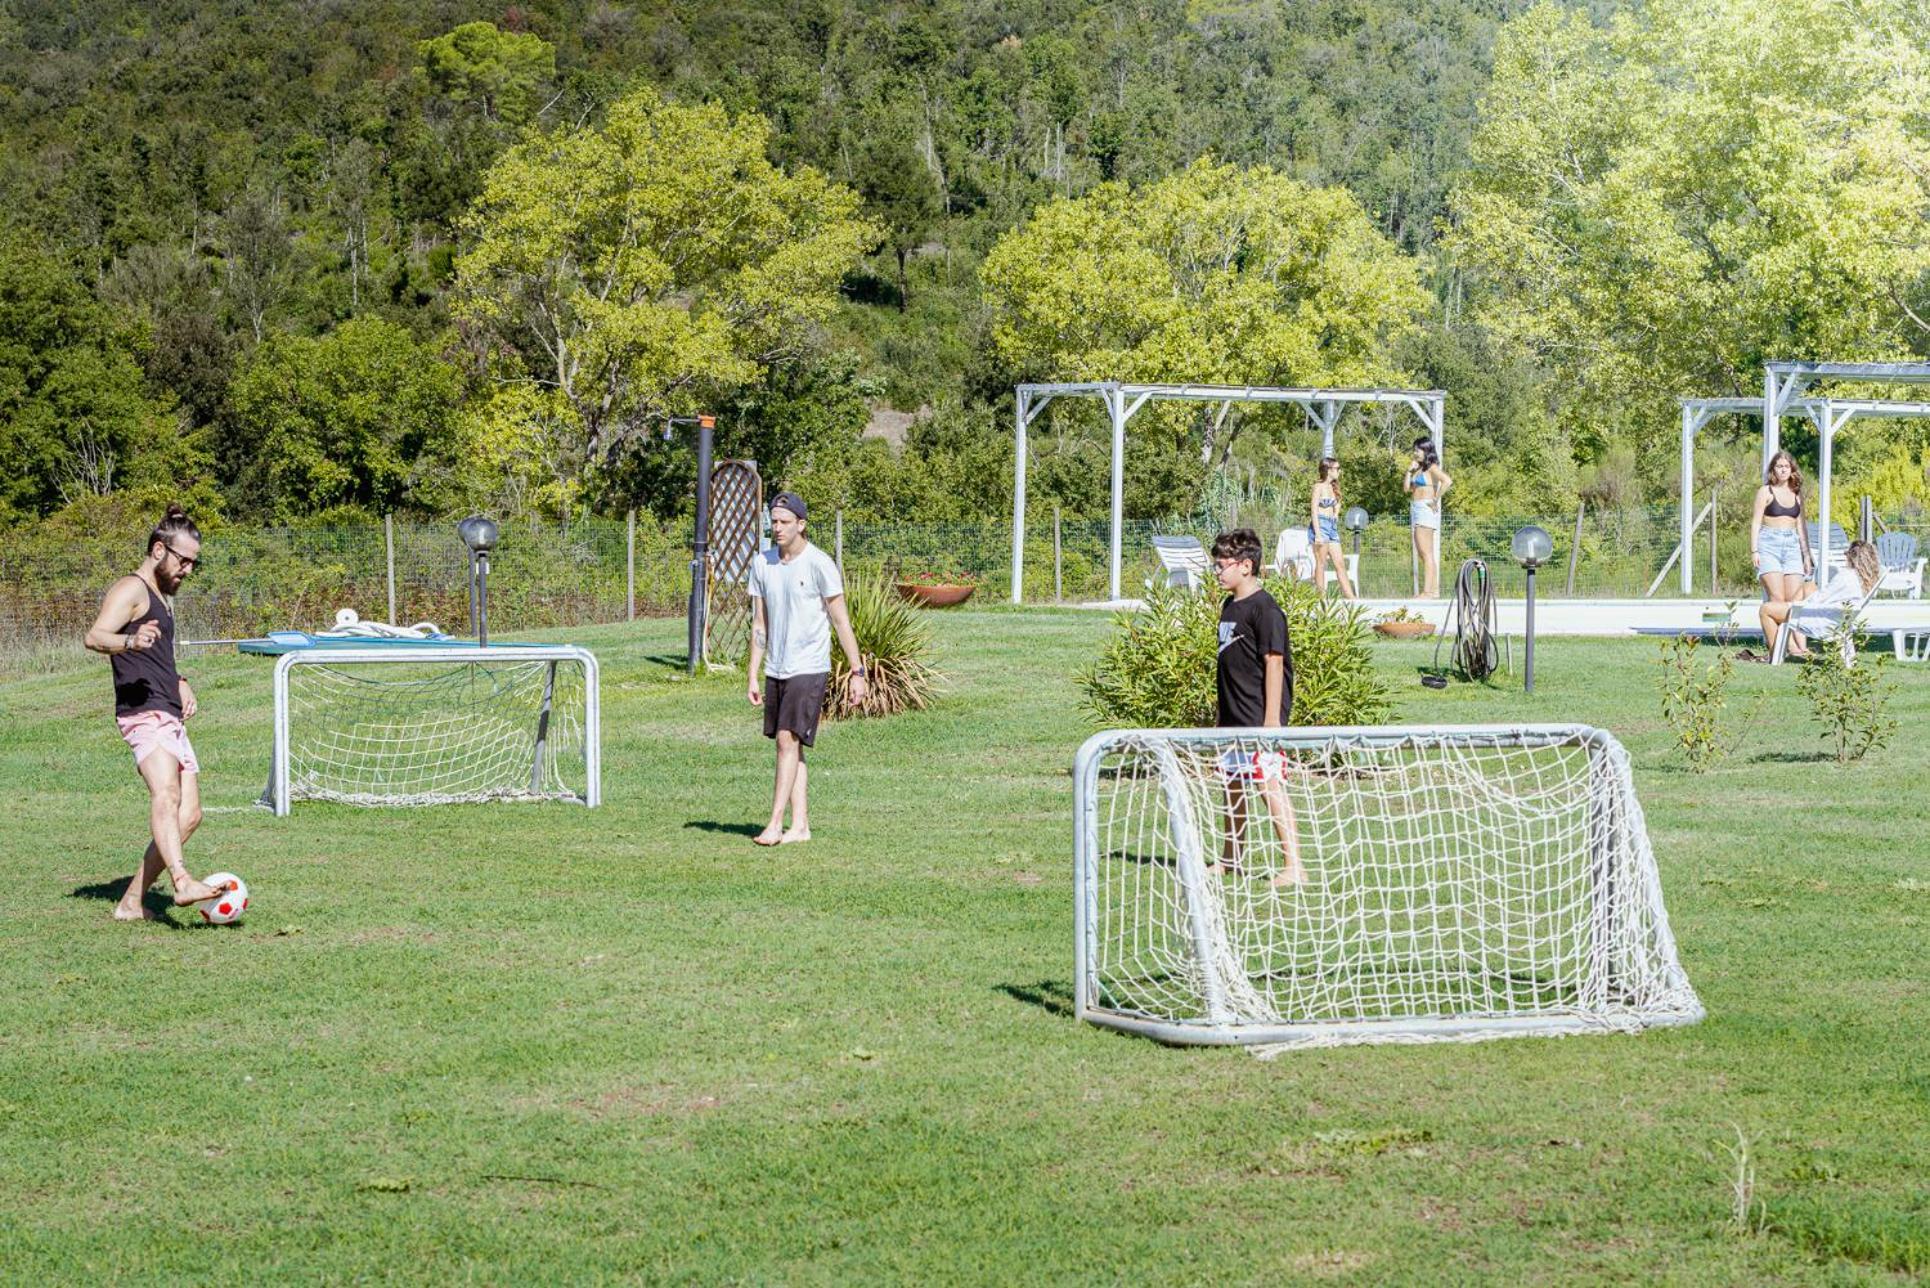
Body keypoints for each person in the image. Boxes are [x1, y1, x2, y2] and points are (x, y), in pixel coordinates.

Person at [83, 504, 220, 921]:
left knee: (190, 815)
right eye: (184, 560)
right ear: (159, 550)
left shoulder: (160, 596)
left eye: (194, 563)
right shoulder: (131, 588)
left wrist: (179, 680)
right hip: (143, 712)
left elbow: (156, 651)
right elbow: (95, 636)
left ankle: (130, 903)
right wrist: (129, 642)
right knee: (167, 794)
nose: (188, 571)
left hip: (168, 708)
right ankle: (181, 881)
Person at [746, 492, 868, 846]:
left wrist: (857, 672)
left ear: (801, 524)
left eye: (784, 522)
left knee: (787, 739)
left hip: (809, 666)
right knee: (789, 746)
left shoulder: (819, 563)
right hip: (776, 667)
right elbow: (759, 624)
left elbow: (841, 621)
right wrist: (753, 673)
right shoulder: (762, 564)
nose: (777, 528)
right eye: (773, 521)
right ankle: (800, 826)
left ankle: (774, 823)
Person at [1208, 528, 1306, 887]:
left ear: (1246, 565)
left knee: (1269, 786)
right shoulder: (1229, 605)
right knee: (1232, 786)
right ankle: (1231, 858)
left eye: (1221, 565)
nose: (1217, 572)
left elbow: (1275, 662)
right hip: (1233, 716)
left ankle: (1294, 865)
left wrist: (1270, 721)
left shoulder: (1265, 609)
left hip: (1259, 717)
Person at [1757, 539, 1881, 661]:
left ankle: (1774, 655)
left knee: (1766, 609)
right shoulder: (1866, 582)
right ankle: (1798, 647)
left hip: (1821, 619)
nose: (1846, 558)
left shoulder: (1846, 576)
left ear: (1852, 557)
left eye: (1847, 554)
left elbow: (1820, 599)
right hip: (1837, 618)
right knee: (1809, 586)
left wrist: (1795, 605)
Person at [1750, 449, 1812, 603]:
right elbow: (1756, 522)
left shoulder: (1797, 494)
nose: (1783, 469)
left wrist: (1806, 556)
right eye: (1779, 466)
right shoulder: (1766, 491)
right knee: (1777, 597)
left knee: (1794, 599)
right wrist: (1754, 551)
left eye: (1786, 466)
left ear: (1792, 469)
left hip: (1792, 546)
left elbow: (1800, 525)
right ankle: (1771, 625)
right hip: (1769, 544)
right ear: (1773, 470)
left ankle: (1789, 628)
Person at [1405, 437, 1451, 598]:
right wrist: (1409, 471)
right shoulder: (1419, 470)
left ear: (1426, 451)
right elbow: (1407, 489)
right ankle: (1434, 590)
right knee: (1422, 552)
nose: (1415, 453)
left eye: (1418, 450)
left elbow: (1447, 481)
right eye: (1415, 449)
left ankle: (1427, 592)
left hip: (1425, 508)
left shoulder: (1432, 468)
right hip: (1416, 509)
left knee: (1426, 553)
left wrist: (1436, 499)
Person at [1308, 457, 1357, 600]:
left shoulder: (1333, 487)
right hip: (1320, 525)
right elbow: (1313, 511)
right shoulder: (1319, 486)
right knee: (1321, 563)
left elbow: (1338, 502)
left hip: (1331, 526)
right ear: (1328, 470)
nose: (1339, 471)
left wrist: (1335, 514)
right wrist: (1317, 533)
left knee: (1340, 563)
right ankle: (1321, 598)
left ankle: (1351, 597)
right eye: (1337, 468)